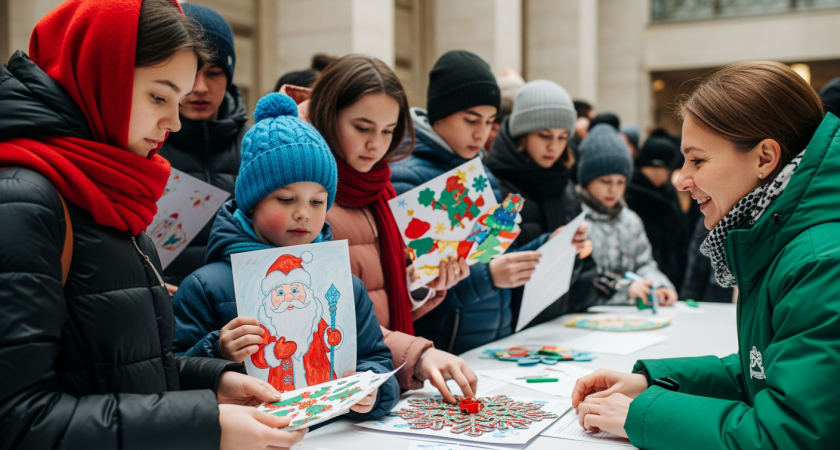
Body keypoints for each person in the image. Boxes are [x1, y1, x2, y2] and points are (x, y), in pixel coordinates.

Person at [0, 1, 306, 449]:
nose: (173, 122)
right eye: (158, 96)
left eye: (178, 101)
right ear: (99, 75)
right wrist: (206, 423)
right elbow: (19, 420)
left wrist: (212, 383)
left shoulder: (112, 186)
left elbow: (120, 371)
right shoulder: (27, 200)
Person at [572, 61, 840, 449]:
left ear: (764, 158)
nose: (682, 179)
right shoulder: (786, 241)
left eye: (697, 160)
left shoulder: (820, 263)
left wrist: (642, 414)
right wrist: (651, 381)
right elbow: (760, 373)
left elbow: (790, 436)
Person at [172, 93, 399, 420]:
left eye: (318, 202)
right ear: (252, 202)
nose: (303, 214)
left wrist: (374, 391)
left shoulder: (344, 283)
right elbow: (172, 374)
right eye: (286, 199)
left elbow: (376, 359)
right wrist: (216, 350)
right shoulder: (207, 286)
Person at [305, 54, 475, 402]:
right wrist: (418, 353)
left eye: (387, 131)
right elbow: (320, 315)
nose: (376, 144)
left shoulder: (380, 188)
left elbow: (382, 294)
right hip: (334, 385)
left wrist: (422, 284)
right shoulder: (304, 195)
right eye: (362, 128)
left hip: (379, 378)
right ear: (327, 115)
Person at [391, 50, 582, 353]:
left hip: (494, 342)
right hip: (443, 349)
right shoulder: (407, 178)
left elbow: (495, 252)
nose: (481, 133)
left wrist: (549, 243)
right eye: (471, 120)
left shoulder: (481, 173)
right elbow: (419, 288)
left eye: (490, 121)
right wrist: (490, 277)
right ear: (441, 113)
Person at [485, 79, 597, 327]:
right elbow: (491, 267)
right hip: (507, 331)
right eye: (544, 135)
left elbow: (587, 274)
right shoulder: (495, 187)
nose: (553, 146)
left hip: (558, 327)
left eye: (562, 137)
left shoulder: (565, 186)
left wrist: (576, 253)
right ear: (521, 134)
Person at [158, 3, 250, 289]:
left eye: (214, 72)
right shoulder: (142, 145)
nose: (200, 87)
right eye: (192, 71)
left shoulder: (255, 146)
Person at [576, 124, 677, 306]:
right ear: (587, 181)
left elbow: (644, 263)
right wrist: (625, 289)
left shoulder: (631, 220)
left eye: (620, 182)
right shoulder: (576, 220)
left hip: (629, 317)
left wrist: (659, 286)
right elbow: (579, 279)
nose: (613, 189)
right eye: (605, 181)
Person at [624, 135, 689, 292]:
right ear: (657, 166)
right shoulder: (631, 197)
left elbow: (680, 238)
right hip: (643, 286)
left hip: (668, 283)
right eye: (668, 168)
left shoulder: (667, 193)